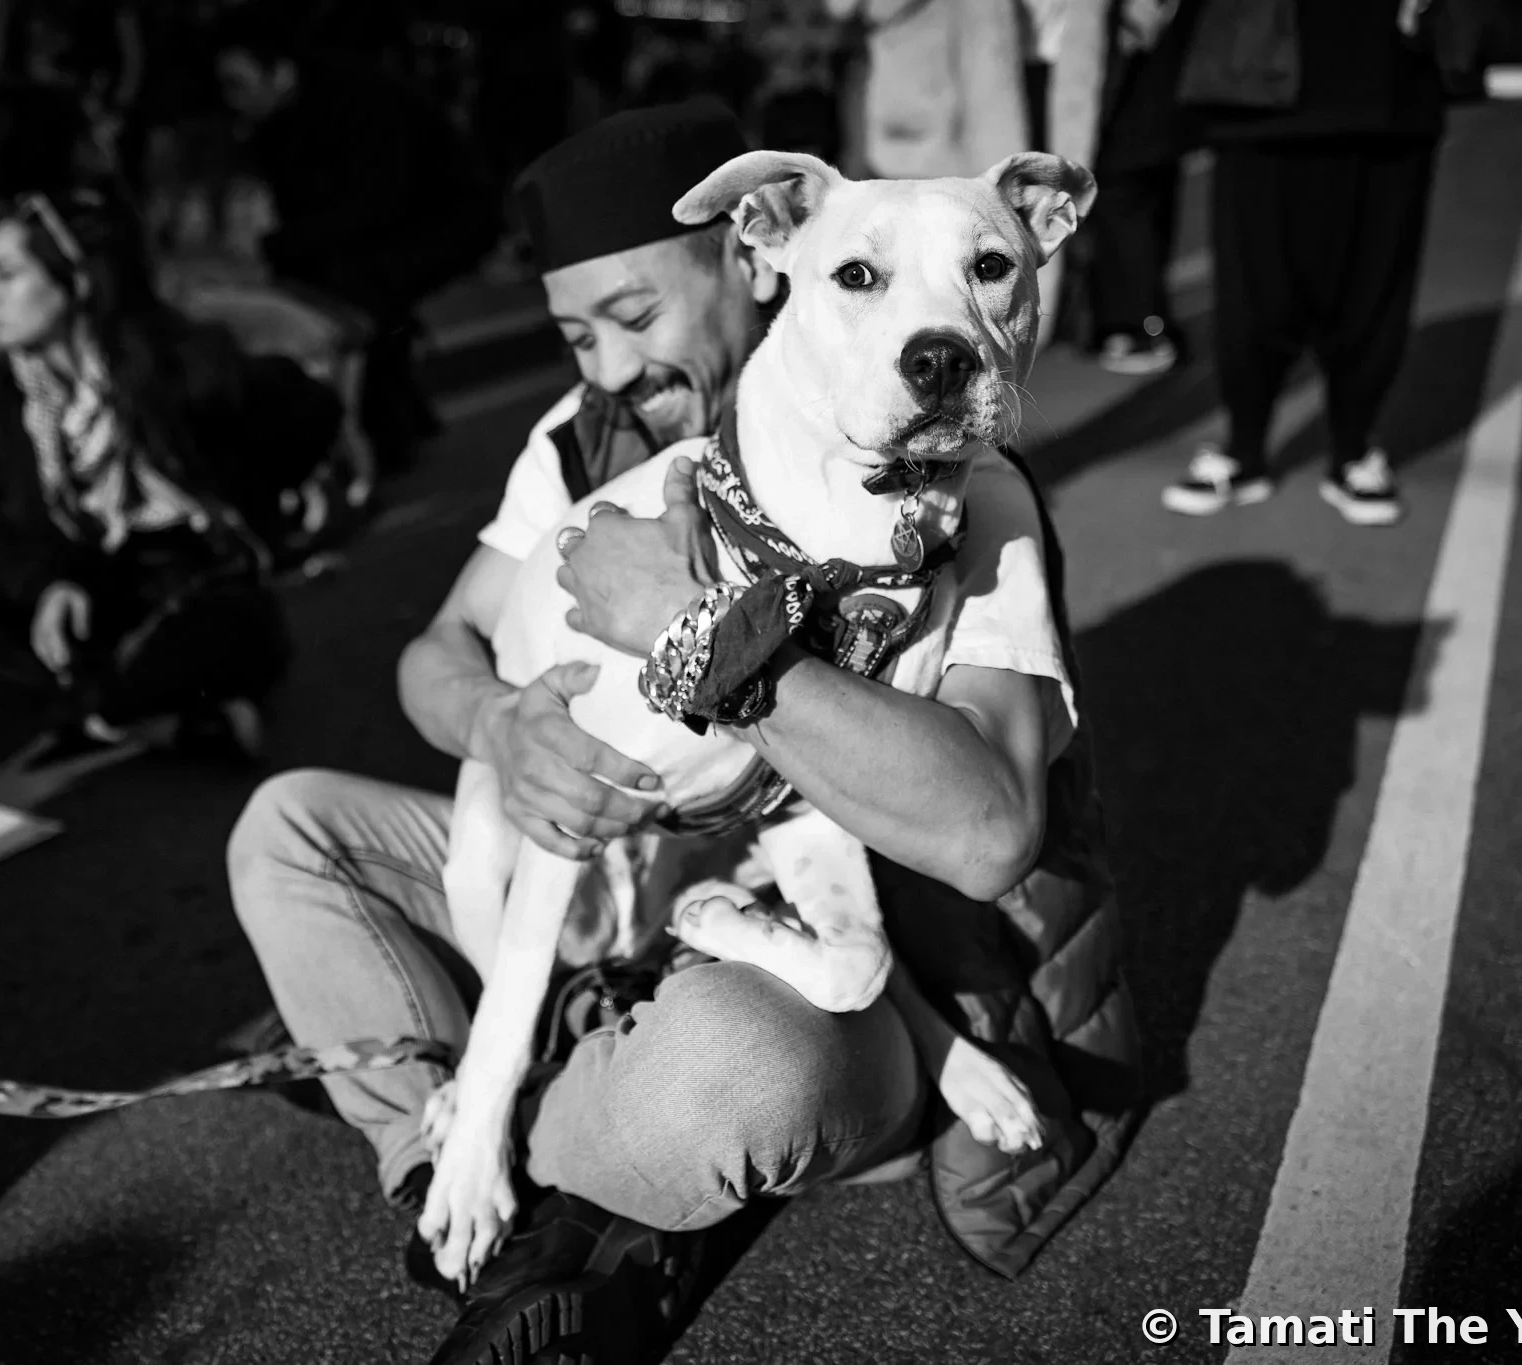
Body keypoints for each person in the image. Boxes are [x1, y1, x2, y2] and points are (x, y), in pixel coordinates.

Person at [225, 101, 1140, 1361]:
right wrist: (502, 726)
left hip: (828, 961)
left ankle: (510, 1162)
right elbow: (433, 654)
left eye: (633, 319)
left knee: (735, 1069)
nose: (603, 367)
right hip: (619, 861)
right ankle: (486, 1159)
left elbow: (984, 836)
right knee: (286, 827)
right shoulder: (580, 446)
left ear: (746, 254)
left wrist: (692, 627)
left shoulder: (964, 503)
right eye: (571, 334)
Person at [0, 186, 338, 766]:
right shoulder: (6, 405)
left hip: (189, 594)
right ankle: (141, 722)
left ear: (78, 283)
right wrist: (52, 586)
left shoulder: (177, 369)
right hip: (91, 598)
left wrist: (263, 509)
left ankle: (57, 715)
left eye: (6, 275)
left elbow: (306, 412)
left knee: (209, 637)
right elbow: (10, 533)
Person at [1162, 0, 1447, 525]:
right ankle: (1244, 450)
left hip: (1387, 88)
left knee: (1372, 288)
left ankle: (1354, 450)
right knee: (1252, 295)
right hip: (1257, 89)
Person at [208, 0, 502, 481]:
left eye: (239, 85)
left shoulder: (358, 105)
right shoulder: (281, 119)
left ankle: (384, 429)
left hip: (447, 217)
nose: (233, 100)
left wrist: (276, 248)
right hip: (383, 223)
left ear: (279, 72)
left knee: (361, 290)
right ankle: (389, 419)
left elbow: (371, 206)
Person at [1087, 0, 1201, 375]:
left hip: (1135, 104)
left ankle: (1138, 325)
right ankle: (1139, 323)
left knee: (1127, 207)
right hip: (1148, 105)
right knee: (1136, 207)